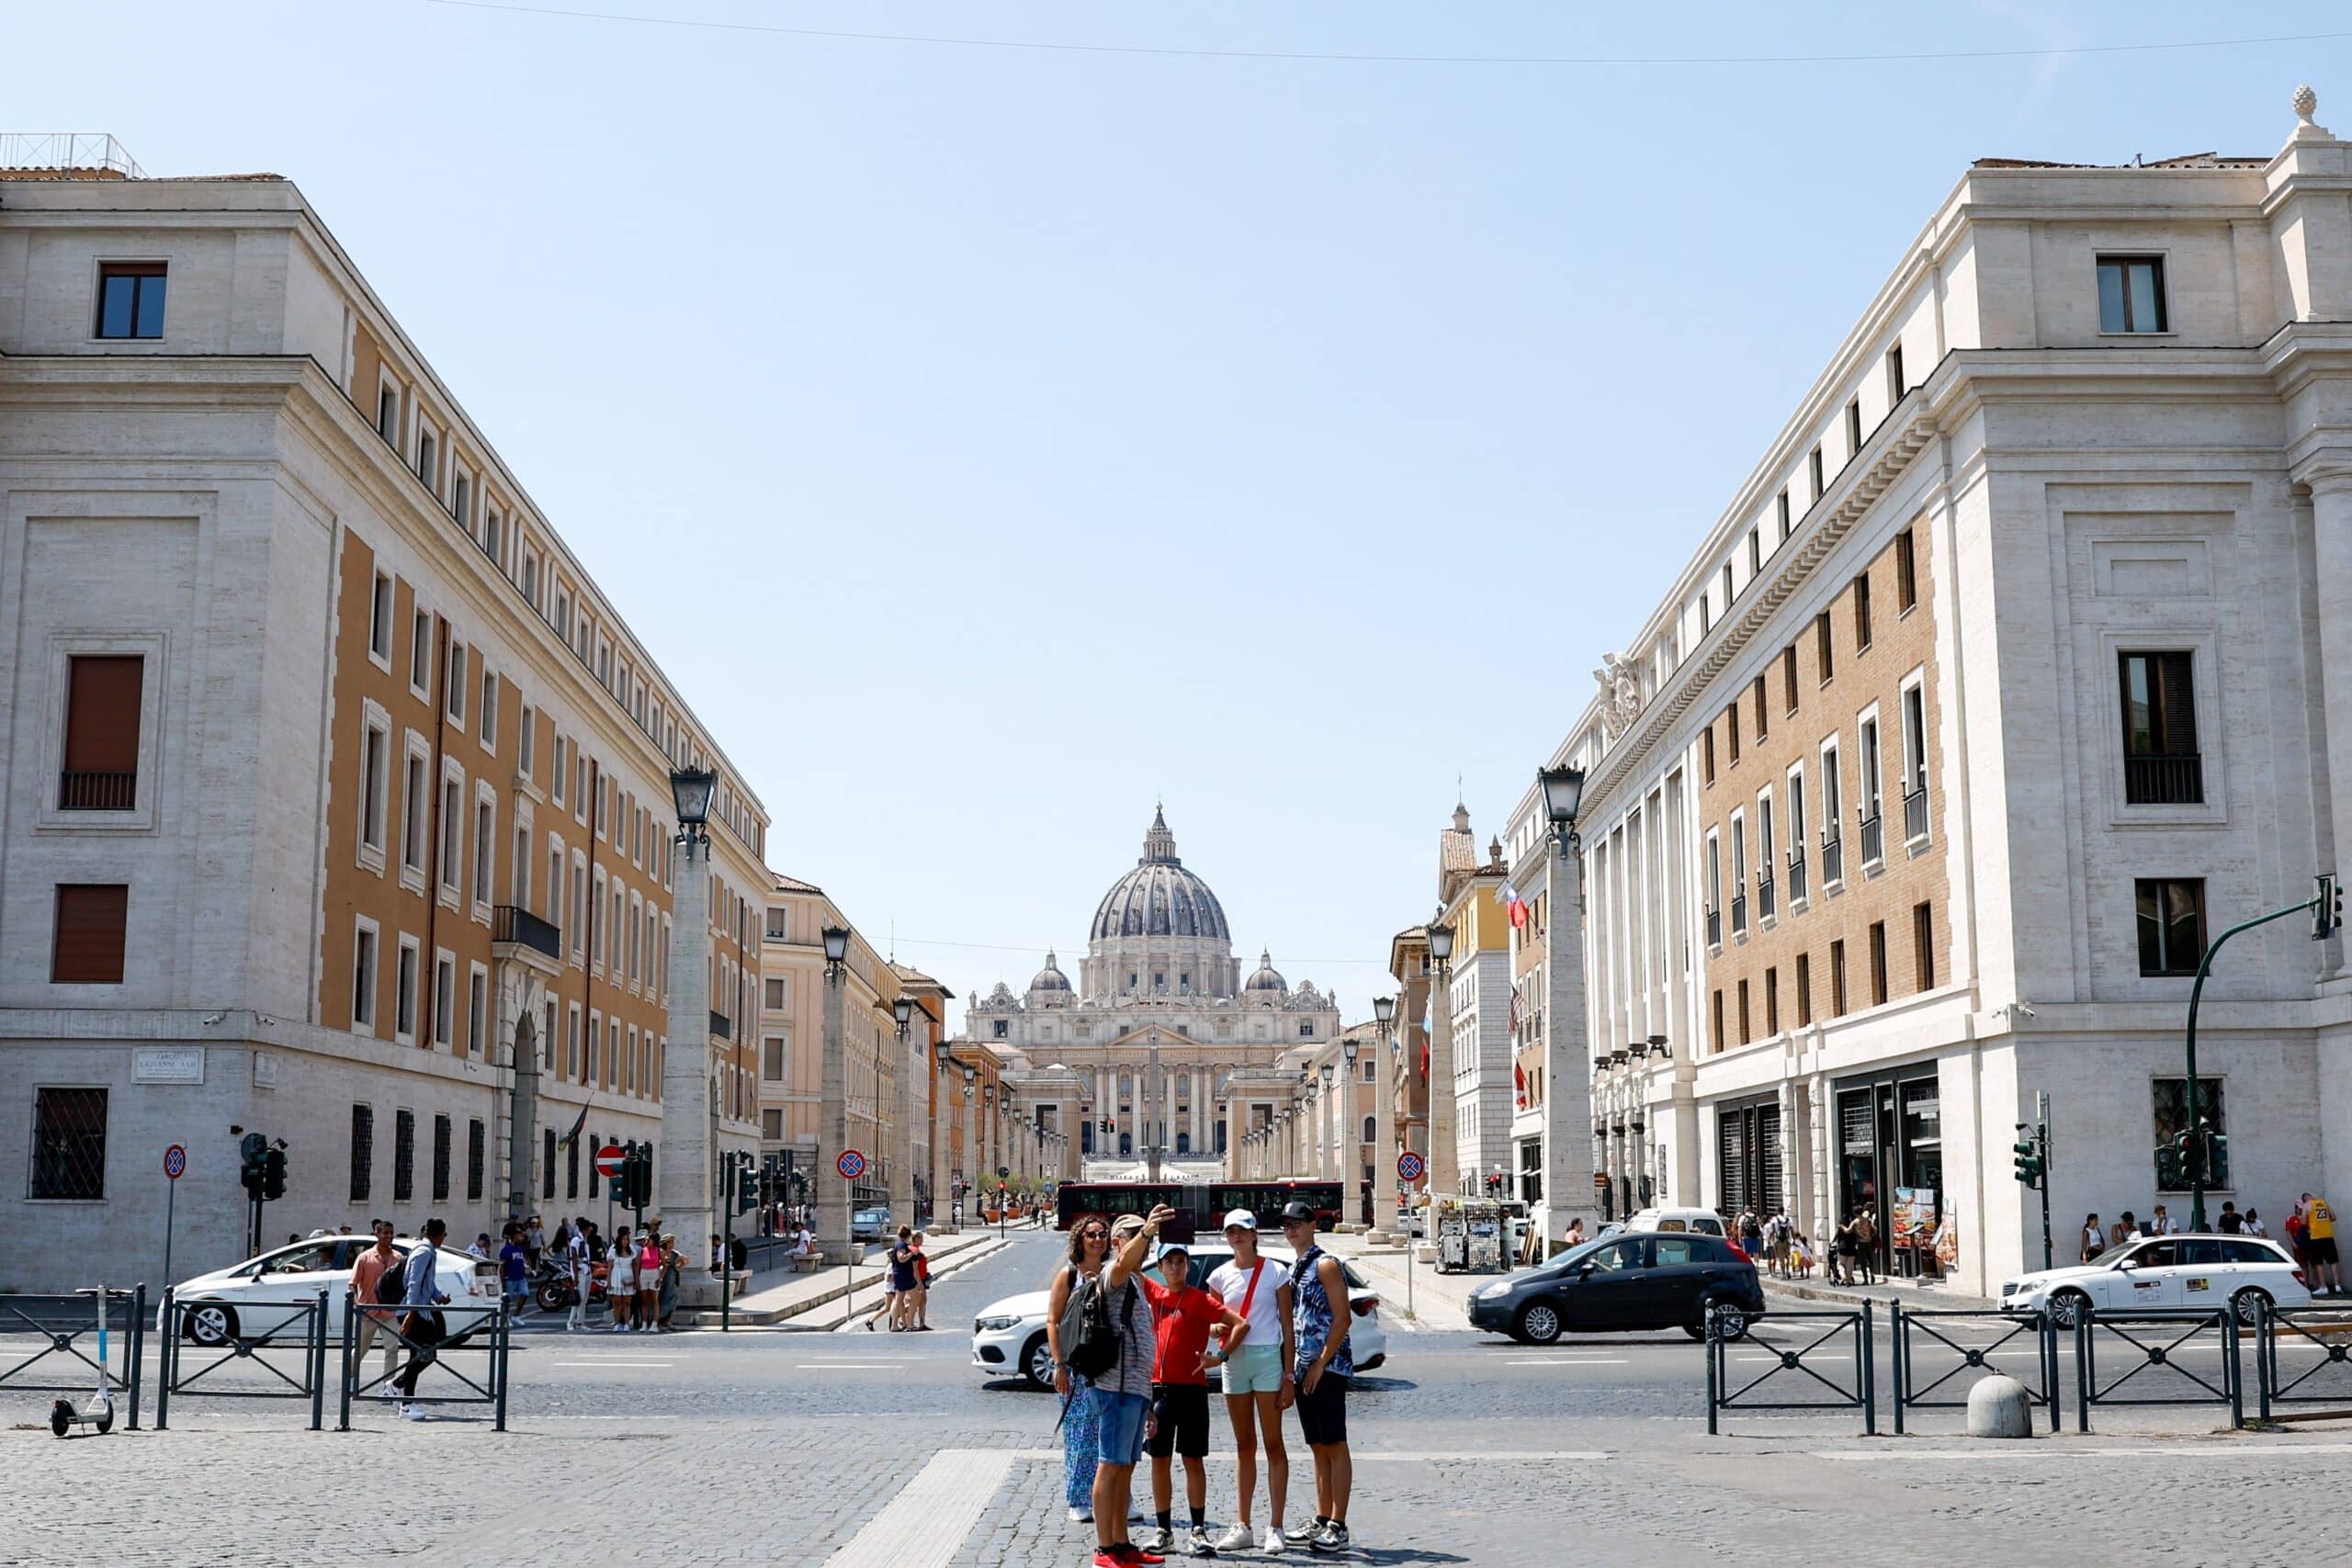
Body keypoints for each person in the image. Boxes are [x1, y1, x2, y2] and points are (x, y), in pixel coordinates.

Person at [1136, 1241, 1244, 1558]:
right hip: (1160, 1390)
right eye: (1168, 1261)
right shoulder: (1154, 1294)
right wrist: (1145, 1232)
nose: (1175, 1267)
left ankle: (1197, 1531)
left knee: (1193, 1461)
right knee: (1159, 1461)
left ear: (1188, 1266)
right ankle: (1164, 1531)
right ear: (1159, 1266)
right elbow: (1128, 1265)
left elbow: (1240, 1323)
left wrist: (1221, 1356)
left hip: (1193, 1391)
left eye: (1180, 1261)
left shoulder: (1199, 1299)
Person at [1204, 1209, 1295, 1555]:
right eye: (1230, 1232)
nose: (1236, 1237)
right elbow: (1210, 1322)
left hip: (1267, 1358)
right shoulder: (1219, 1276)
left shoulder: (1276, 1272)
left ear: (1255, 1234)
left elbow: (1287, 1326)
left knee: (1273, 1443)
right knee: (1244, 1445)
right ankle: (1243, 1524)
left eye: (1241, 1231)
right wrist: (1216, 1328)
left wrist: (1289, 1375)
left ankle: (1276, 1526)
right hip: (1234, 1362)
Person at [1084, 1208, 1171, 1568]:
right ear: (1120, 1243)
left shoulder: (1137, 1280)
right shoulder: (1114, 1274)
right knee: (1110, 1465)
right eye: (1134, 1235)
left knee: (1126, 1467)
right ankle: (1105, 1547)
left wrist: (1148, 1400)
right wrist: (1148, 1232)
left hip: (1134, 1389)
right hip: (1115, 1387)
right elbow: (1121, 1264)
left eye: (1146, 1235)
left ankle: (1121, 1542)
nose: (1145, 1242)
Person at [1280, 1201, 1353, 1556]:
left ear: (1312, 1225)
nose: (1291, 1229)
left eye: (1298, 1223)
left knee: (1335, 1444)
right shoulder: (1298, 1265)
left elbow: (1343, 1318)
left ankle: (1339, 1524)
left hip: (1327, 1367)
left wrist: (1321, 1363)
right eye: (1286, 1224)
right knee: (1317, 1446)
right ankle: (1322, 1517)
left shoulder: (1325, 1264)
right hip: (1304, 1367)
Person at [1048, 1217, 1113, 1528]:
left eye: (1103, 1234)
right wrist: (1059, 1364)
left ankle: (1116, 1497)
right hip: (1077, 1368)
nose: (1098, 1240)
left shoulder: (1113, 1273)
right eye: (1091, 1235)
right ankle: (1078, 1498)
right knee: (1080, 1435)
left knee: (1112, 1434)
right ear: (1080, 1239)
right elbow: (1053, 1321)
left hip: (1110, 1367)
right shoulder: (1068, 1275)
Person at [391, 1218, 452, 1420]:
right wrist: (410, 1312)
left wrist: (439, 1297)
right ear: (439, 1234)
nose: (444, 1238)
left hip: (418, 1310)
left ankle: (399, 1391)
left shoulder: (429, 1252)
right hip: (412, 1311)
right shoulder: (423, 1252)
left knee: (423, 1354)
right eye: (444, 1234)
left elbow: (428, 1282)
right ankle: (404, 1400)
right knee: (424, 1354)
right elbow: (414, 1283)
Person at [348, 1219, 403, 1393]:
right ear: (377, 1234)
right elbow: (352, 1284)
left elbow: (403, 1284)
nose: (389, 1236)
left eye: (391, 1233)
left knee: (392, 1347)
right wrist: (356, 1302)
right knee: (360, 1350)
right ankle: (349, 1377)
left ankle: (389, 1386)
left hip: (389, 1312)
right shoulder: (364, 1258)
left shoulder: (398, 1258)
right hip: (368, 1312)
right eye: (385, 1233)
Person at [2306, 1193, 2343, 1296]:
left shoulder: (2307, 1205)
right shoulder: (2324, 1203)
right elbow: (2334, 1217)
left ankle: (2323, 1287)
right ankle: (2337, 1286)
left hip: (2316, 1237)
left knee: (2318, 1263)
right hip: (2328, 1236)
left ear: (2305, 1200)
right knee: (2333, 1261)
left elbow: (2304, 1222)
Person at [883, 1225, 917, 1331]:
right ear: (908, 1235)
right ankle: (909, 1324)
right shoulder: (902, 1244)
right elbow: (901, 1258)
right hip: (904, 1276)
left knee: (898, 1300)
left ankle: (894, 1325)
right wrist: (911, 1254)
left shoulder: (898, 1243)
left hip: (899, 1275)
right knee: (916, 1299)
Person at [565, 1219, 593, 1331]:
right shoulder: (576, 1240)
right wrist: (575, 1276)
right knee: (578, 1298)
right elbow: (574, 1258)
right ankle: (571, 1322)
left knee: (584, 1299)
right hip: (580, 1271)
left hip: (587, 1270)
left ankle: (580, 1322)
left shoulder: (584, 1240)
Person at [608, 1225, 637, 1332]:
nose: (625, 1241)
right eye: (623, 1239)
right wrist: (609, 1280)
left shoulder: (631, 1250)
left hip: (628, 1276)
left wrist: (635, 1281)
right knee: (617, 1302)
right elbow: (610, 1266)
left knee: (627, 1303)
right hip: (616, 1276)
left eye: (627, 1239)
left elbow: (634, 1265)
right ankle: (616, 1323)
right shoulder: (613, 1250)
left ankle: (626, 1324)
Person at [498, 1224, 530, 1316]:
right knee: (507, 1300)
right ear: (514, 1238)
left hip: (521, 1277)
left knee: (525, 1294)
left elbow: (522, 1260)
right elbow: (502, 1265)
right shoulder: (506, 1250)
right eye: (519, 1237)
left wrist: (526, 1269)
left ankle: (516, 1315)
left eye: (522, 1237)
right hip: (510, 1278)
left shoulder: (520, 1248)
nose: (521, 1238)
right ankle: (505, 1317)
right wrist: (503, 1279)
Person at [635, 1230, 662, 1329]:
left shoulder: (658, 1250)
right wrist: (637, 1279)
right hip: (644, 1273)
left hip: (654, 1273)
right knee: (644, 1300)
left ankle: (654, 1323)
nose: (645, 1241)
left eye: (648, 1240)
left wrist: (660, 1277)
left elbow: (664, 1264)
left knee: (654, 1300)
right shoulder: (642, 1250)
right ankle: (644, 1323)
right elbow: (638, 1265)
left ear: (653, 1241)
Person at [656, 1235, 683, 1330]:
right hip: (661, 1277)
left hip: (671, 1278)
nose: (672, 1244)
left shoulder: (675, 1253)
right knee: (660, 1298)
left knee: (672, 1298)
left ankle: (667, 1321)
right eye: (670, 1242)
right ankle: (658, 1320)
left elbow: (685, 1260)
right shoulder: (660, 1251)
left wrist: (678, 1265)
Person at [910, 1231, 933, 1330]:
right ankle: (898, 1314)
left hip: (921, 1278)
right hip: (918, 1280)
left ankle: (922, 1323)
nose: (922, 1240)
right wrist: (919, 1283)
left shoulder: (917, 1250)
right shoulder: (915, 1250)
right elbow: (915, 1269)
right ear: (917, 1239)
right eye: (921, 1238)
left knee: (922, 1301)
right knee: (918, 1301)